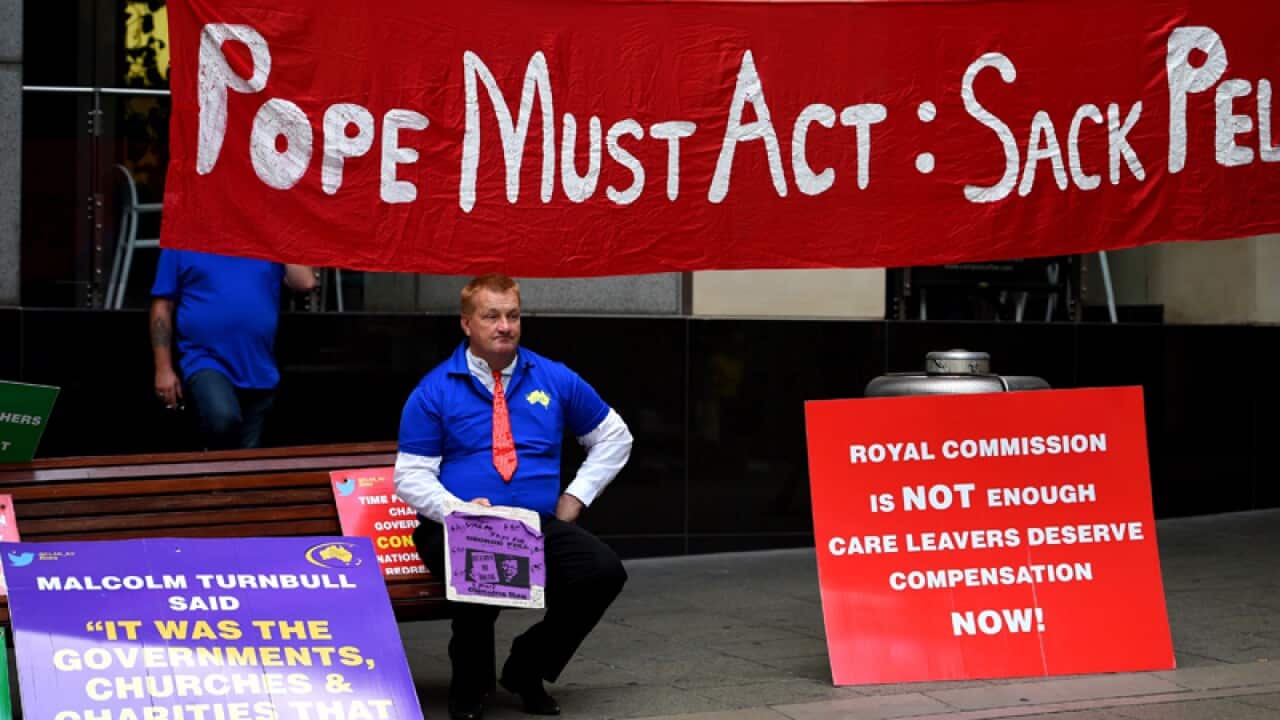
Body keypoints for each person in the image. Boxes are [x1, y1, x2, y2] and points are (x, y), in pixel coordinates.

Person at [395, 273, 632, 720]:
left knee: (602, 572)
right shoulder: (435, 389)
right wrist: (459, 510)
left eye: (513, 316)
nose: (504, 326)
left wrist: (575, 497)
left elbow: (614, 436)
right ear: (467, 323)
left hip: (533, 522)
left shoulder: (553, 378)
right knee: (478, 564)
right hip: (454, 523)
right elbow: (410, 476)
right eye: (491, 316)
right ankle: (470, 687)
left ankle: (527, 668)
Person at [150, 249, 316, 450]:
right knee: (223, 419)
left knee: (247, 458)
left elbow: (305, 282)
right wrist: (163, 368)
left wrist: (278, 234)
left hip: (258, 367)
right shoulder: (183, 241)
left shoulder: (266, 240)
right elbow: (162, 306)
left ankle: (212, 466)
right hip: (203, 358)